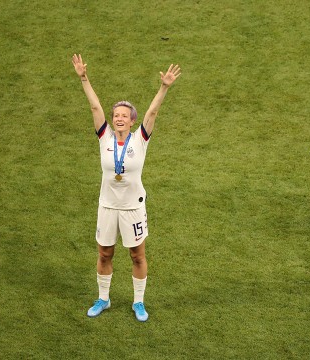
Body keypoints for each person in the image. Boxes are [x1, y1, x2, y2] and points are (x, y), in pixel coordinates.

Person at [71, 54, 181, 321]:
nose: (119, 118)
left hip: (133, 208)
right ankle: (103, 299)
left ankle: (139, 302)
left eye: (124, 115)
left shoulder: (140, 139)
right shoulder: (105, 137)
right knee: (104, 253)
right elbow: (95, 108)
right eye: (116, 115)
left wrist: (164, 87)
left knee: (137, 255)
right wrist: (84, 78)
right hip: (107, 206)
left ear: (132, 121)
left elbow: (152, 112)